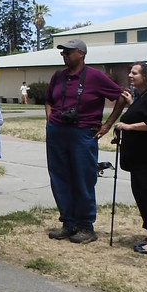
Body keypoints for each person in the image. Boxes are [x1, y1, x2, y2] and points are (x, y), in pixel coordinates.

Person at [44, 38, 128, 244]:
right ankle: (68, 223)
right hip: (57, 132)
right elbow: (48, 99)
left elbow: (121, 97)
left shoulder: (95, 76)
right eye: (62, 53)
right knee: (59, 177)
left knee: (83, 178)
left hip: (82, 133)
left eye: (68, 52)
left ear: (81, 53)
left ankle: (85, 226)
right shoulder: (58, 76)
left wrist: (107, 125)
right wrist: (50, 118)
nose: (64, 56)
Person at [113, 61, 147, 253]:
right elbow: (142, 114)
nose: (130, 75)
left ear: (146, 76)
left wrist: (128, 127)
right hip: (138, 158)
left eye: (135, 73)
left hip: (146, 159)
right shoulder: (143, 96)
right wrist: (131, 104)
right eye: (130, 72)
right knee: (142, 195)